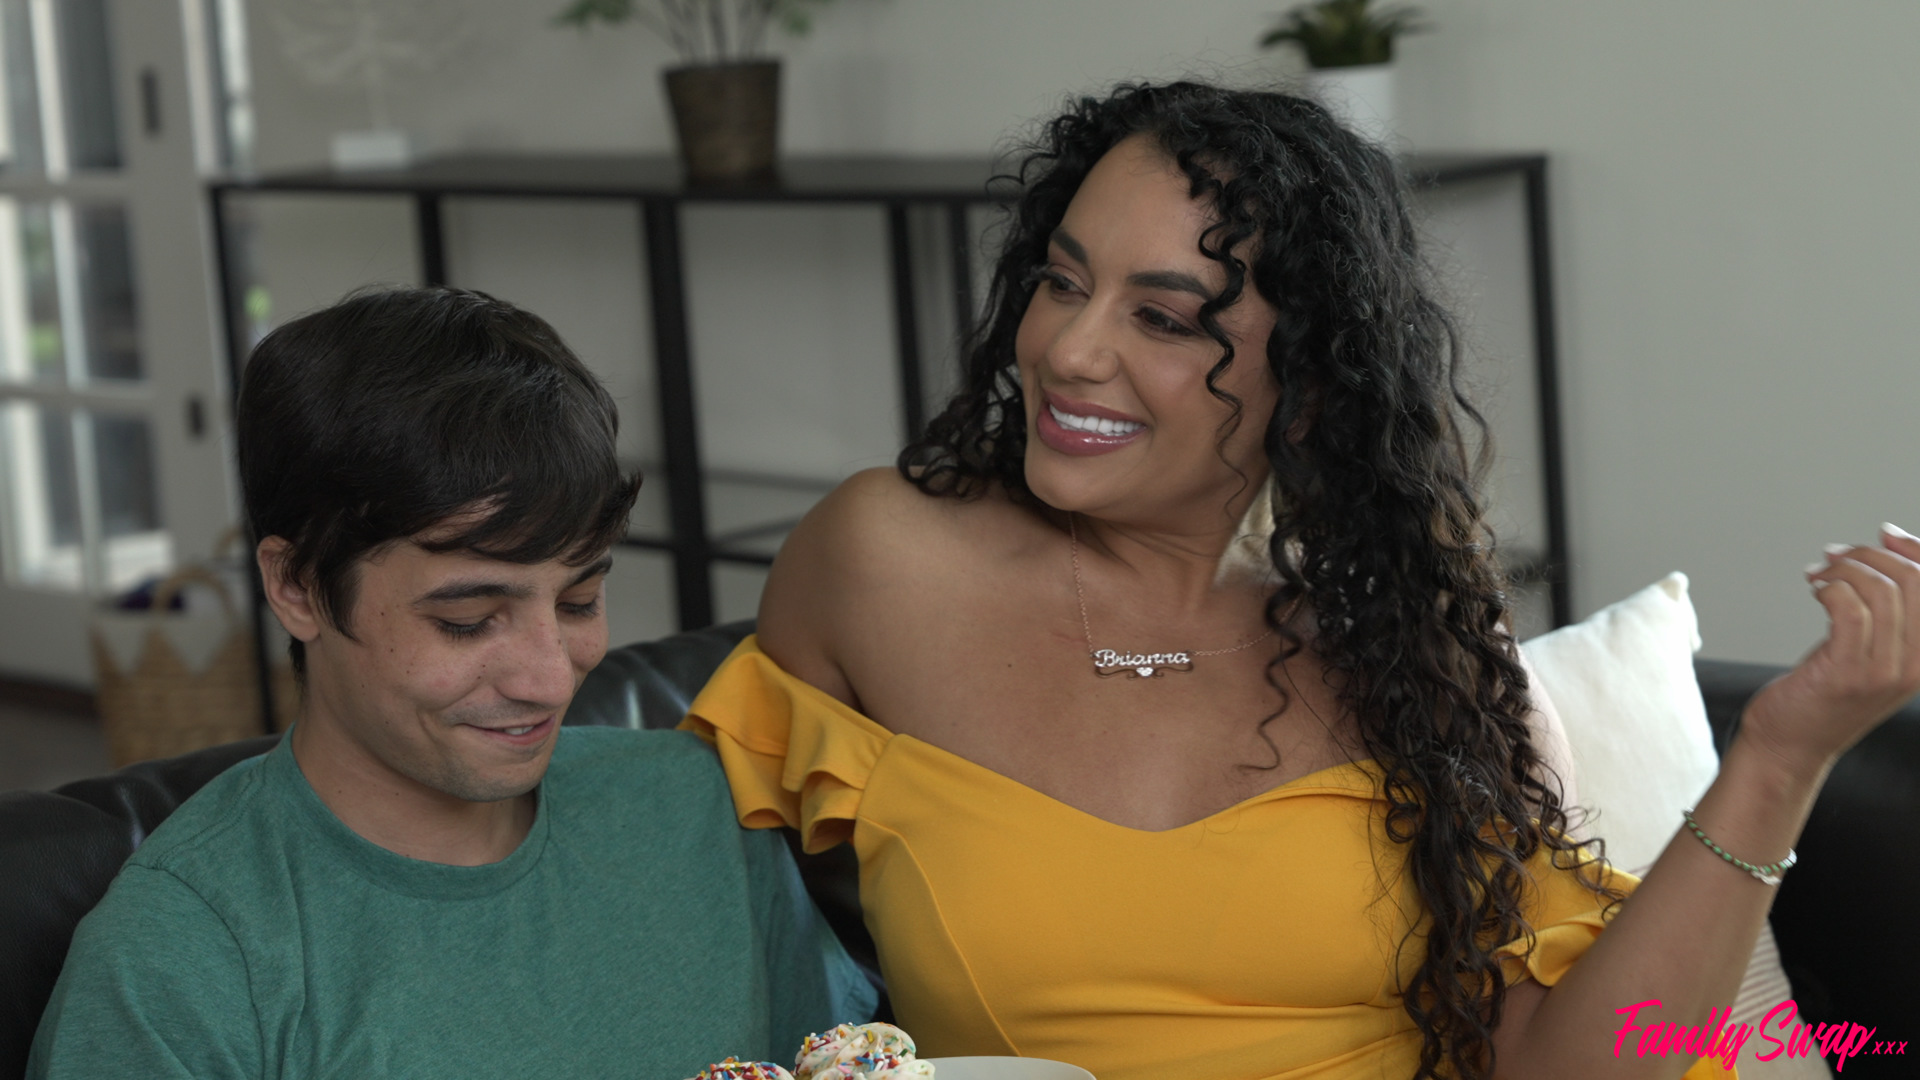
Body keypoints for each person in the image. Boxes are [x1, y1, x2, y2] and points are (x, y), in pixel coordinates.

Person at [681, 82, 1920, 1080]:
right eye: (1063, 281)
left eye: (1166, 319)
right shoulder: (883, 564)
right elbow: (692, 911)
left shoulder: (1415, 650)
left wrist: (1781, 756)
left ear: (1312, 383)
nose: (1068, 349)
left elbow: (1570, 1068)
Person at [29, 287, 874, 1080]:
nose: (549, 677)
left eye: (578, 601)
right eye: (467, 620)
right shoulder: (180, 960)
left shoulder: (699, 813)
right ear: (297, 587)